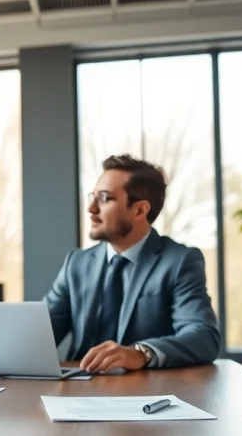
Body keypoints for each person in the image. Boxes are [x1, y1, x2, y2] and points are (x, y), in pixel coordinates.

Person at [45, 154, 221, 373]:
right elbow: (40, 333)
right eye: (92, 197)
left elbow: (204, 337)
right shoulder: (76, 264)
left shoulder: (179, 262)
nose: (91, 208)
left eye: (105, 198)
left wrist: (140, 353)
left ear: (139, 210)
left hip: (144, 388)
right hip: (77, 384)